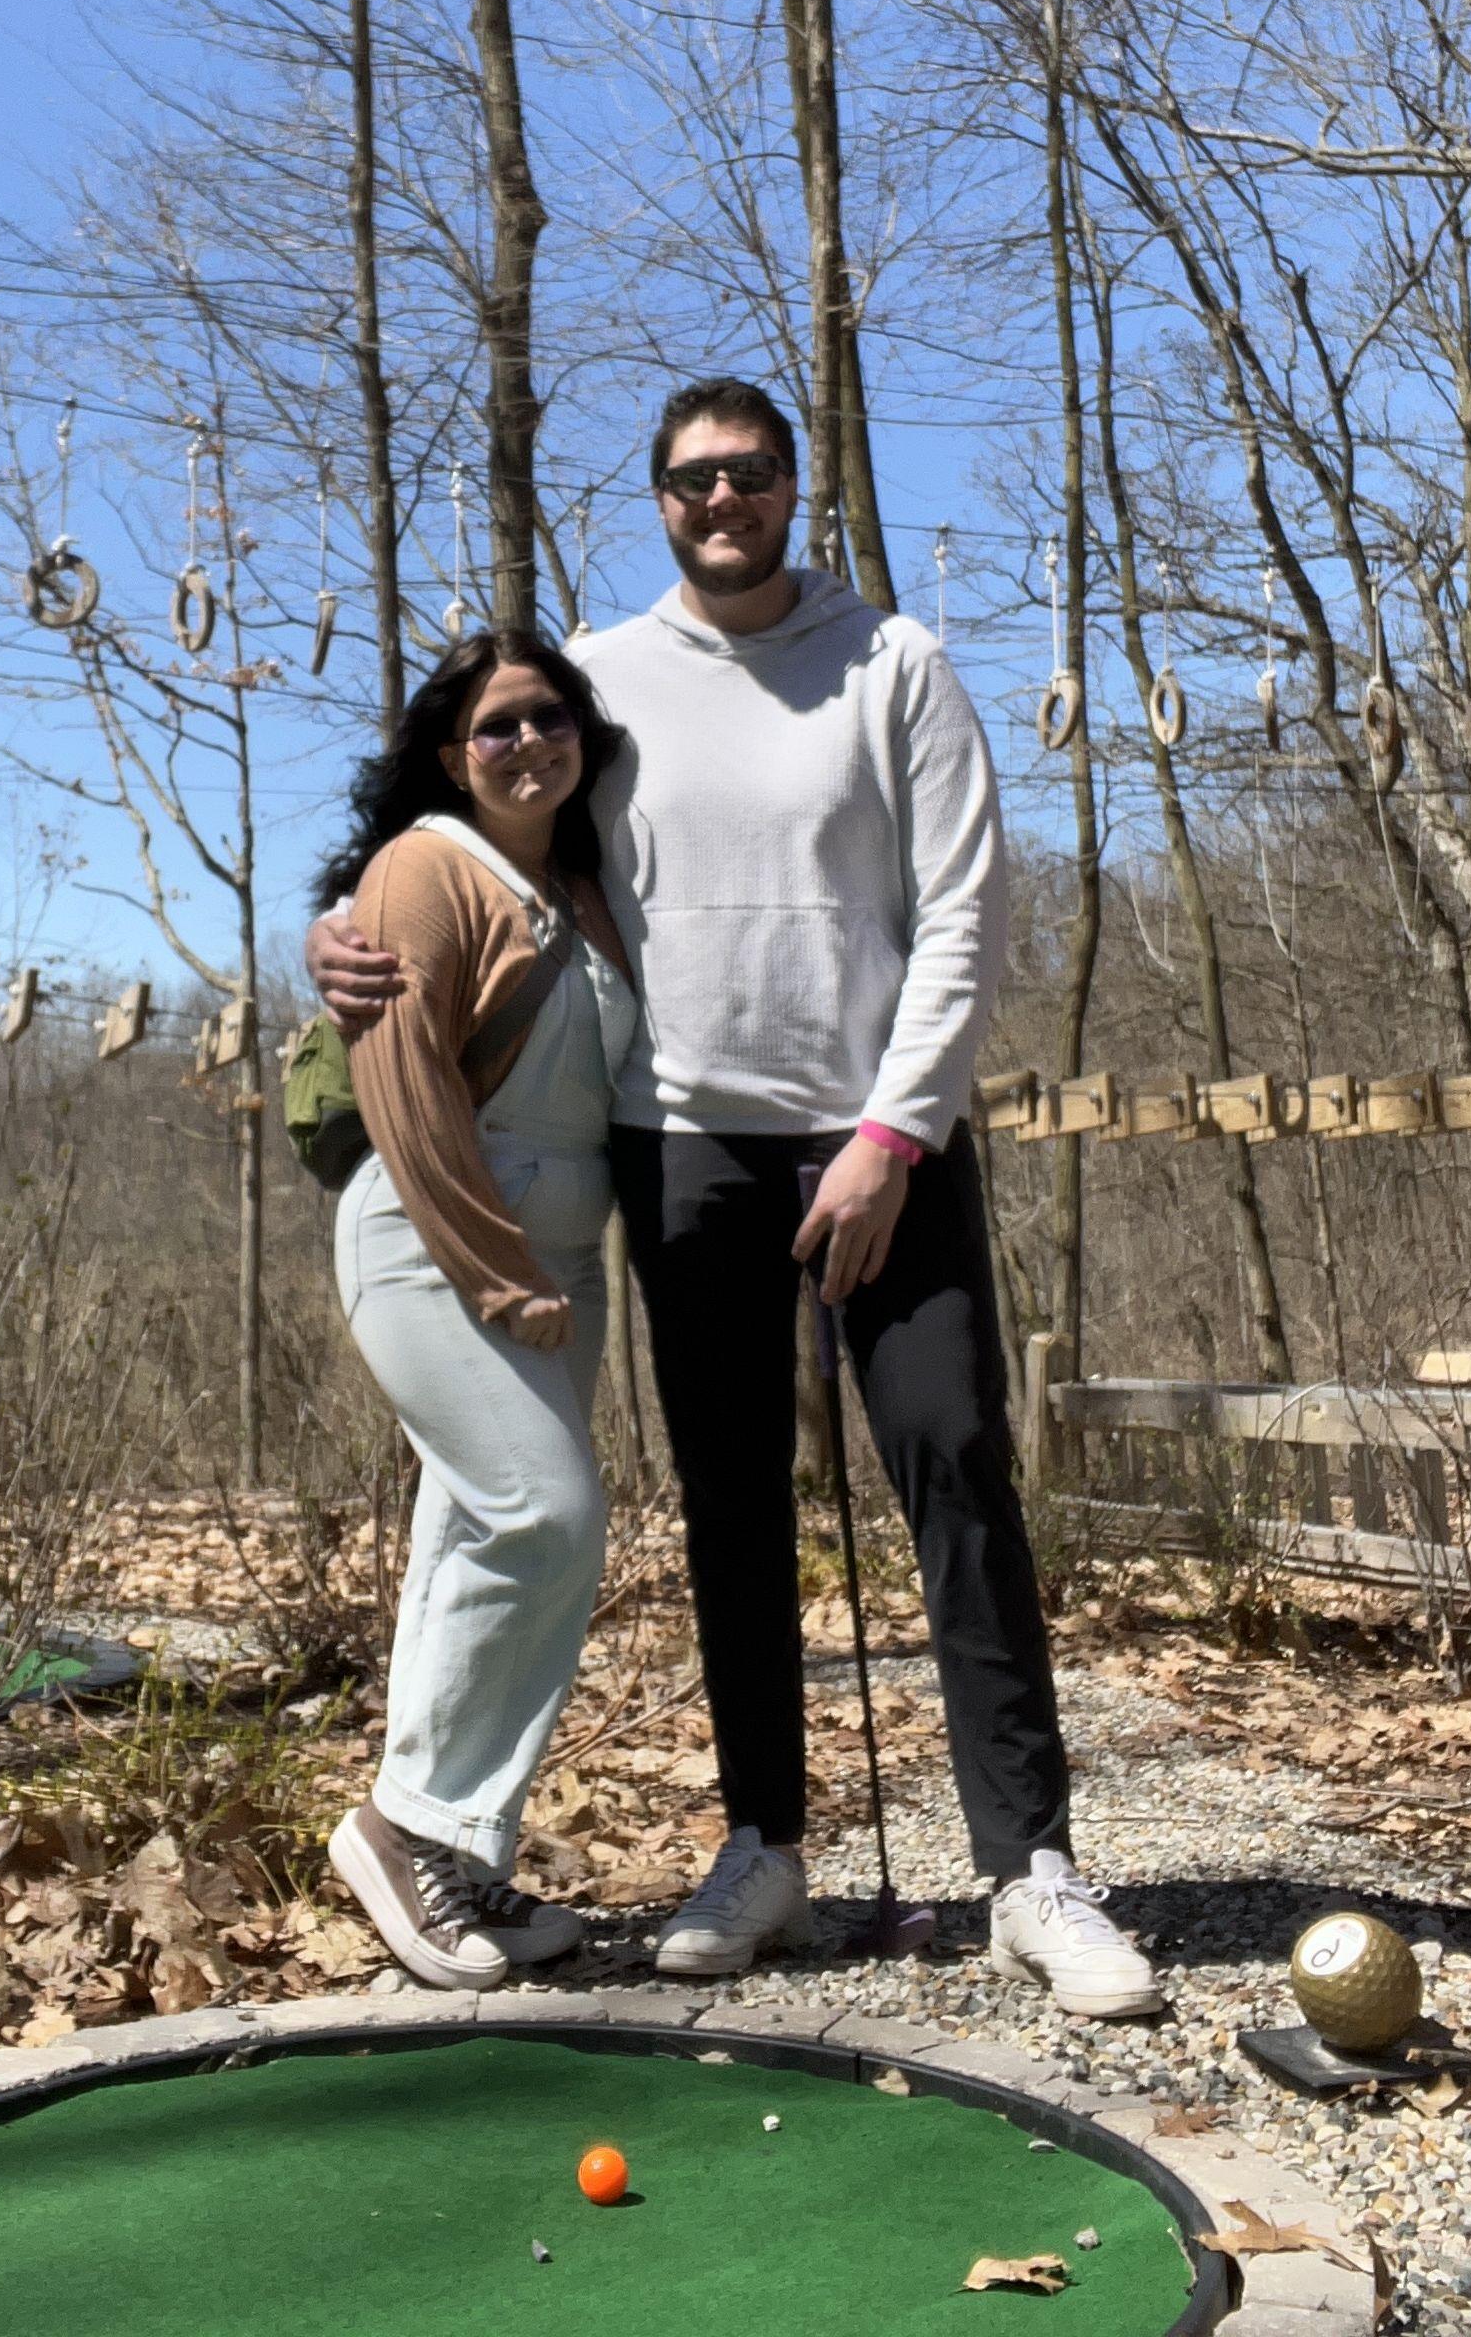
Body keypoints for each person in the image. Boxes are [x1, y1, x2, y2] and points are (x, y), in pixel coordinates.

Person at [312, 380, 1161, 2018]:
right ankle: (763, 1845)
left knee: (954, 1461)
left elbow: (964, 911)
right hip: (682, 1145)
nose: (724, 499)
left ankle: (1032, 1870)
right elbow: (483, 846)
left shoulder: (893, 663)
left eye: (752, 472)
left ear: (794, 485)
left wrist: (894, 1134)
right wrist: (336, 934)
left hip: (880, 1137)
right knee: (730, 1499)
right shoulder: (601, 680)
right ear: (659, 499)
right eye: (693, 478)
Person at [313, 628, 640, 1993]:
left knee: (473, 1533)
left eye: (548, 718)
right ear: (452, 757)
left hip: (565, 1256)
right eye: (495, 727)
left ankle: (457, 1846)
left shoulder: (593, 878)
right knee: (544, 1514)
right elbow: (405, 1086)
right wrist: (494, 1266)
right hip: (433, 1241)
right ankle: (399, 1831)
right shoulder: (426, 867)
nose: (526, 744)